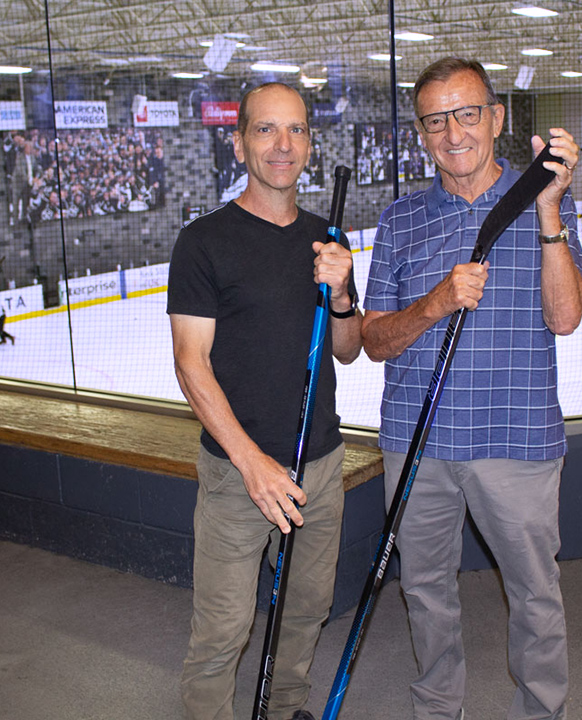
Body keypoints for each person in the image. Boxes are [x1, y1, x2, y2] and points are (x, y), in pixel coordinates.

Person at [362, 57, 582, 720]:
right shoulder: (401, 219)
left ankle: (540, 711)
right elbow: (375, 342)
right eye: (436, 119)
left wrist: (549, 212)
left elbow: (566, 317)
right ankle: (438, 705)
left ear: (496, 119)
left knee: (534, 592)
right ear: (421, 131)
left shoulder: (543, 196)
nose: (453, 132)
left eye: (467, 114)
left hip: (516, 438)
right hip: (417, 440)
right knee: (426, 589)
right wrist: (433, 304)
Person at [168, 82, 363, 720]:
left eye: (297, 130)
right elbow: (190, 365)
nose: (283, 145)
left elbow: (348, 348)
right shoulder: (204, 242)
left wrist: (340, 295)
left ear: (310, 140)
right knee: (221, 632)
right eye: (265, 130)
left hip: (320, 465)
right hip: (236, 475)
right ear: (239, 141)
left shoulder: (326, 240)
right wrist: (252, 463)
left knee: (306, 611)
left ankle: (283, 710)